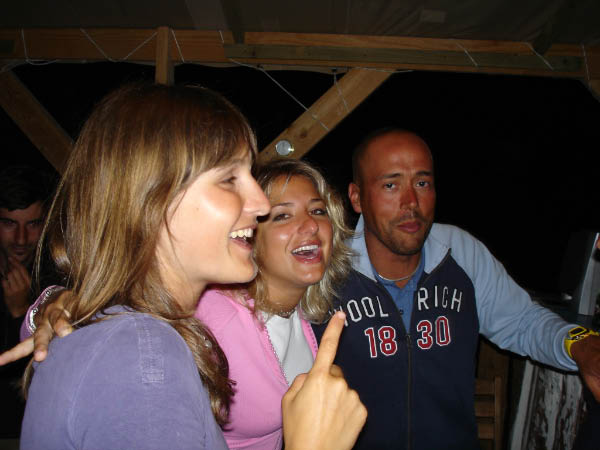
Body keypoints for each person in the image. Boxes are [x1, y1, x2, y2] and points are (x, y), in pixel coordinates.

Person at [13, 83, 366, 450]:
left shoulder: (140, 335)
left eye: (318, 210)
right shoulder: (143, 356)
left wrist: (60, 305)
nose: (260, 205)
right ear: (150, 199)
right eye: (229, 179)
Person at [312, 128, 600, 449]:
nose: (411, 202)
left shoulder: (460, 253)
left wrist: (581, 345)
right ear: (357, 197)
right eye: (391, 185)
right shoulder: (325, 268)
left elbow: (523, 322)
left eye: (422, 183)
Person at [196, 158, 353, 449]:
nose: (311, 225)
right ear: (249, 237)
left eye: (318, 211)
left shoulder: (301, 316)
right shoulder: (213, 315)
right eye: (282, 216)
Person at [0, 166, 56, 440]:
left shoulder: (57, 278)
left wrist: (21, 314)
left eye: (32, 224)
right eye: (9, 223)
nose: (21, 239)